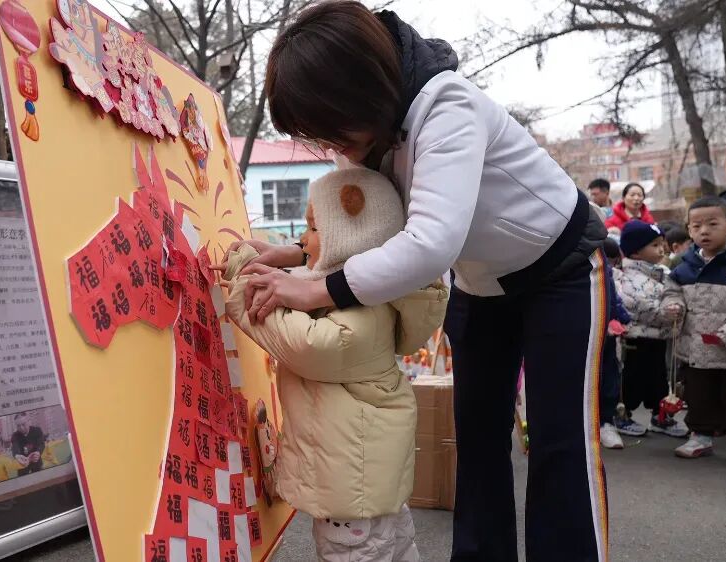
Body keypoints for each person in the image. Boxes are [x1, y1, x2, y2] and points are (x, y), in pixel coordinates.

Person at [228, 2, 610, 559]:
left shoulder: (446, 106)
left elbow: (430, 243)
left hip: (561, 270)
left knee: (560, 444)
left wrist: (313, 288)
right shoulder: (373, 134)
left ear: (360, 89)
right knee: (477, 440)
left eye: (330, 126)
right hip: (481, 287)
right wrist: (292, 255)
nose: (330, 146)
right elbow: (363, 229)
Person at [220, 167, 448, 562]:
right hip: (364, 477)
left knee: (352, 553)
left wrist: (245, 285)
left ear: (349, 240)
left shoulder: (364, 311)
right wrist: (277, 270)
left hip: (351, 485)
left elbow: (308, 344)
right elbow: (308, 284)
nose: (303, 241)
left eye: (313, 228)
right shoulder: (359, 291)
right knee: (391, 547)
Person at [661, 197, 726, 470]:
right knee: (699, 396)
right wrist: (673, 306)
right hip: (697, 351)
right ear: (689, 230)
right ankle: (700, 436)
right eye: (697, 226)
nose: (704, 231)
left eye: (712, 224)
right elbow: (671, 293)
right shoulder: (684, 267)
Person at [615, 221, 685, 438]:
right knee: (633, 380)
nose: (661, 249)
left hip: (659, 338)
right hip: (637, 339)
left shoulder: (662, 273)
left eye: (662, 244)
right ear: (636, 252)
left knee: (659, 380)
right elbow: (638, 305)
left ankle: (660, 415)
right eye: (654, 245)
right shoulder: (627, 277)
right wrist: (667, 312)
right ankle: (622, 414)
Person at [600, 238, 633, 449]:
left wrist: (621, 318)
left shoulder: (604, 267)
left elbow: (613, 297)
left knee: (608, 378)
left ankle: (605, 422)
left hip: (606, 334)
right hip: (573, 329)